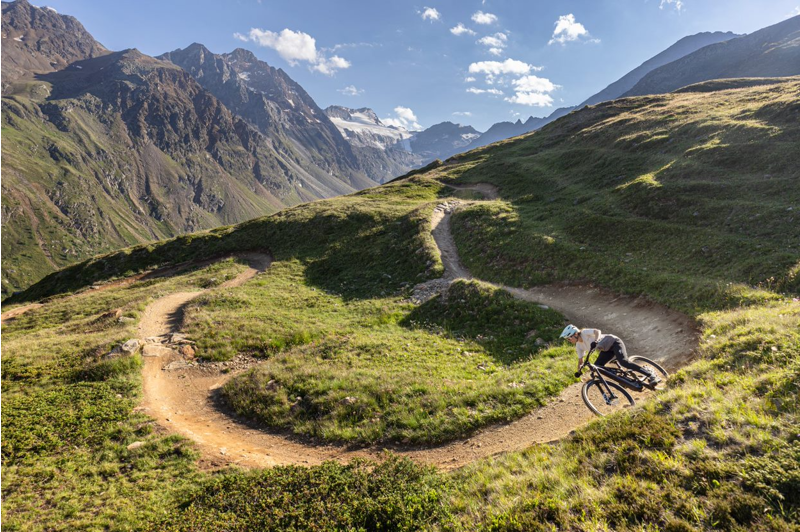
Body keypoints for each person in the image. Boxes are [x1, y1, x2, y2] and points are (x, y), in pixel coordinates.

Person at [559, 324, 660, 384]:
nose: (569, 340)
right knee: (598, 367)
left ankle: (650, 375)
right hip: (606, 350)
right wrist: (579, 371)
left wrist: (597, 340)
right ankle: (624, 380)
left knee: (624, 362)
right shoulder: (578, 346)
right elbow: (580, 360)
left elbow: (597, 331)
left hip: (614, 342)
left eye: (569, 338)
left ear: (575, 334)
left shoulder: (584, 332)